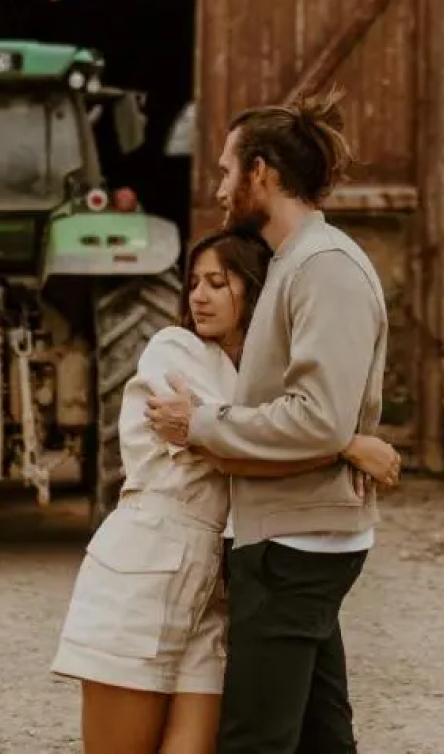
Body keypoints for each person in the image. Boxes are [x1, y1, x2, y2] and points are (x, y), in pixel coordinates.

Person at [50, 228, 401, 754]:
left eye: (218, 282)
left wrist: (313, 428)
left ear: (255, 290)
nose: (198, 295)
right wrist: (348, 442)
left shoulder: (266, 378)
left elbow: (268, 429)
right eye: (194, 282)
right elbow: (240, 442)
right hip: (144, 574)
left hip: (219, 587)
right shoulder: (175, 350)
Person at [146, 88, 388, 754]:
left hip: (296, 545)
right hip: (293, 537)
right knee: (319, 738)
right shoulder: (294, 265)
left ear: (261, 174)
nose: (219, 187)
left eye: (227, 170)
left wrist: (202, 423)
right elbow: (324, 421)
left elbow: (316, 418)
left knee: (254, 742)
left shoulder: (324, 268)